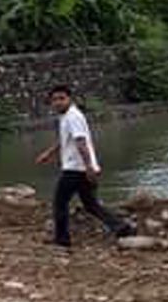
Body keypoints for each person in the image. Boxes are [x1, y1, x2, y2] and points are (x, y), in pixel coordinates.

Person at [34, 85, 135, 247]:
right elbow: (66, 139)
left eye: (61, 98)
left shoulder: (73, 117)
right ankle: (122, 227)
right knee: (91, 204)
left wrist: (89, 168)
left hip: (75, 169)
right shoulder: (67, 116)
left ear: (70, 99)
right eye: (54, 100)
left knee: (59, 203)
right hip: (82, 169)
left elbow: (81, 142)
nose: (58, 102)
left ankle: (62, 240)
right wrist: (49, 153)